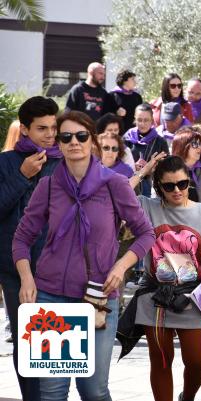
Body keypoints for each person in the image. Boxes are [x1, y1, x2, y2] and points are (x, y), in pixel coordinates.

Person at [12, 110, 155, 401]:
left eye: (80, 136)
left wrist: (120, 266)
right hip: (51, 296)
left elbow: (146, 233)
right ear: (59, 144)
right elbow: (22, 238)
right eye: (66, 137)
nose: (73, 142)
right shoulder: (48, 185)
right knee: (52, 393)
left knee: (93, 390)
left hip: (97, 296)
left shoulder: (114, 184)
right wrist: (27, 278)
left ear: (92, 141)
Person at [126, 156, 201, 401]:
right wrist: (144, 172)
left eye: (182, 184)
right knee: (161, 360)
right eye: (169, 185)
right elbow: (115, 196)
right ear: (159, 186)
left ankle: (188, 397)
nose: (177, 190)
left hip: (194, 296)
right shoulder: (147, 207)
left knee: (197, 362)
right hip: (154, 295)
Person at [0, 96, 60, 401]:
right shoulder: (5, 162)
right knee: (28, 342)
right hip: (14, 268)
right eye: (42, 129)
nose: (50, 135)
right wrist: (22, 176)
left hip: (59, 268)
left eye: (53, 127)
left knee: (56, 343)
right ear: (24, 129)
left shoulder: (65, 163)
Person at [123, 103, 170, 197]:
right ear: (135, 119)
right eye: (139, 120)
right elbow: (117, 164)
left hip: (151, 189)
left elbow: (167, 168)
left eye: (146, 120)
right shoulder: (126, 139)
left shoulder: (160, 142)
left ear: (152, 120)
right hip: (128, 187)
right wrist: (132, 166)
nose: (142, 124)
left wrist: (151, 168)